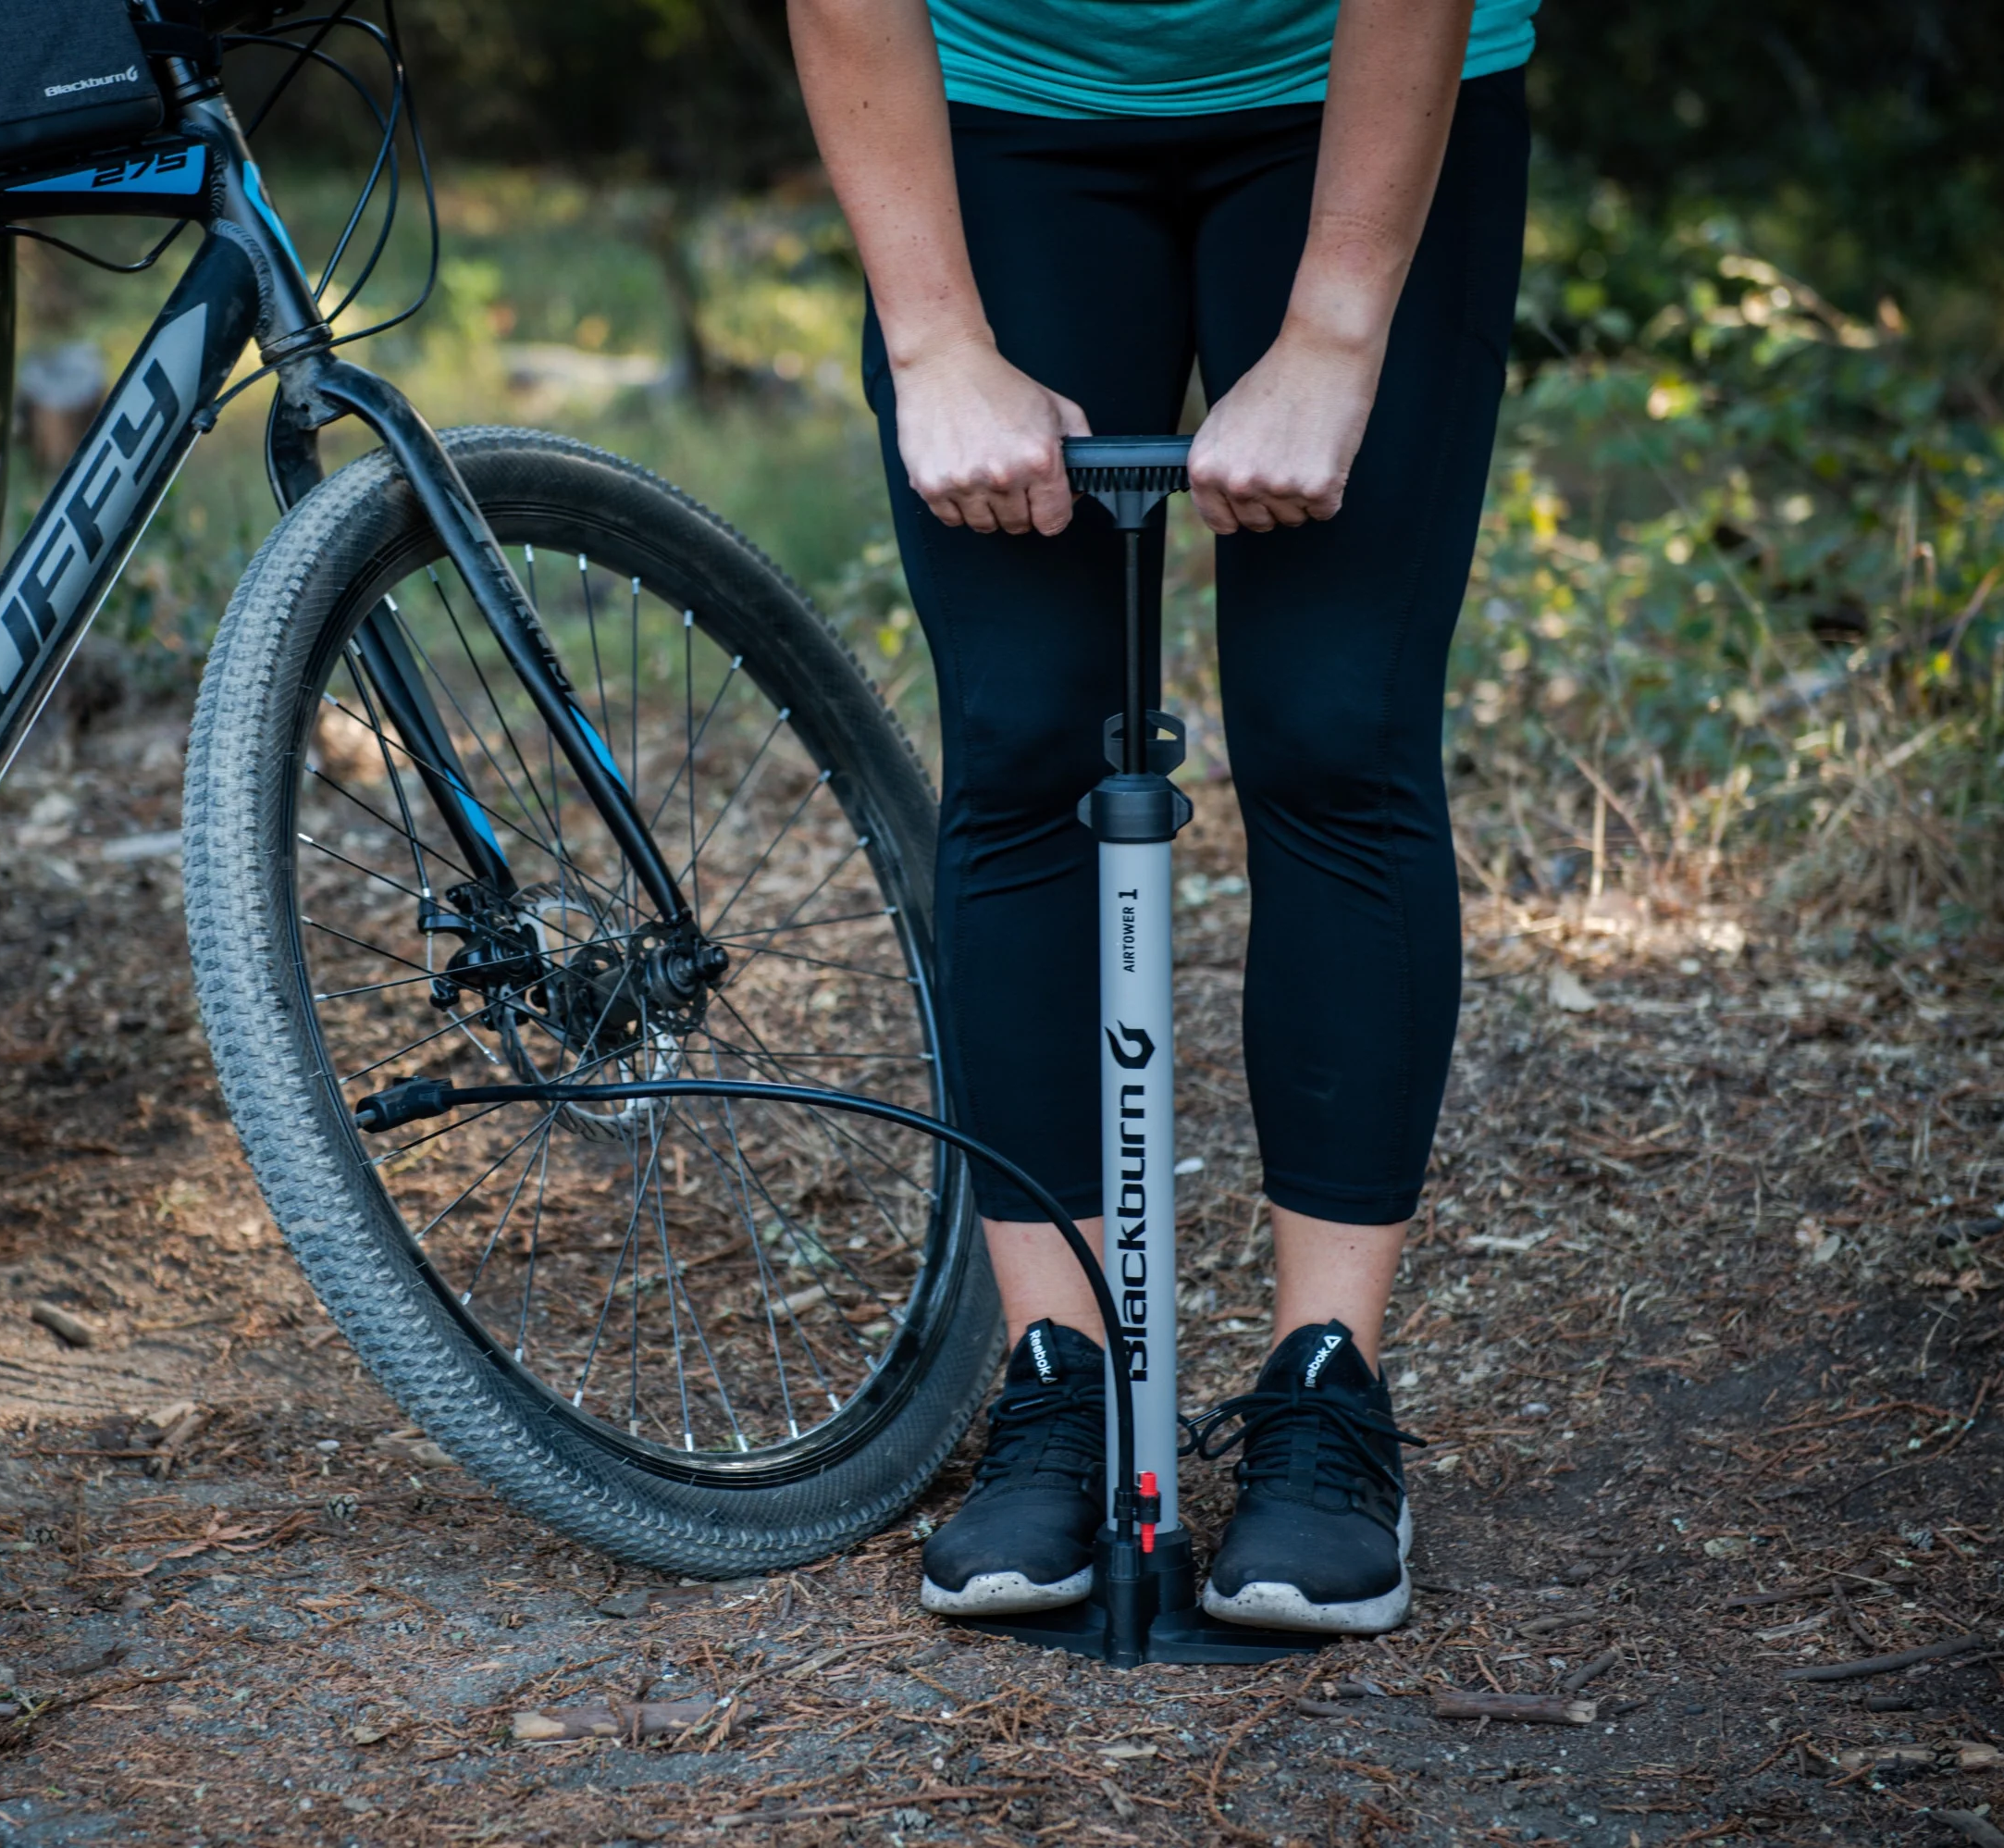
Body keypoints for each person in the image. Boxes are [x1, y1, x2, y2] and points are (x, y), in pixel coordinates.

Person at [786, 0, 1532, 1633]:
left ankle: (1328, 1397)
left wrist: (1336, 336)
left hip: (1356, 100)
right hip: (999, 114)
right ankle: (1060, 1377)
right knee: (1022, 735)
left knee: (1334, 733)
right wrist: (932, 342)